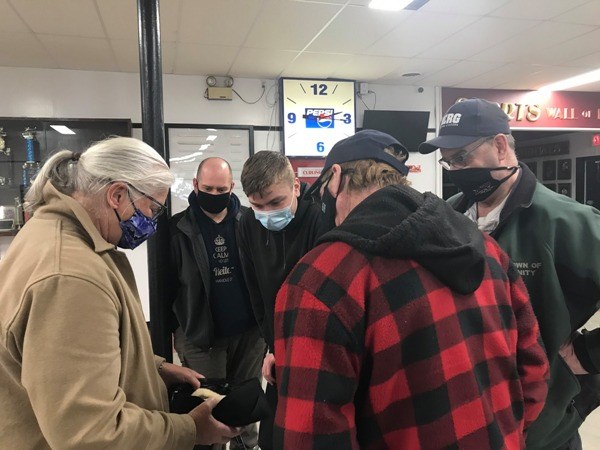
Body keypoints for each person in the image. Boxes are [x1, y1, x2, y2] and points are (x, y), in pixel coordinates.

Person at [273, 129, 549, 449]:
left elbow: (309, 436)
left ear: (335, 178)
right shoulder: (486, 249)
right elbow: (534, 372)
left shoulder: (320, 280)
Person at [0, 137, 240, 449]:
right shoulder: (71, 276)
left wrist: (154, 367)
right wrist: (189, 429)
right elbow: (91, 433)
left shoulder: (51, 232)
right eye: (151, 208)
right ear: (117, 195)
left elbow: (67, 357)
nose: (152, 222)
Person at [419, 98, 600, 450]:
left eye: (461, 158)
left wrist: (590, 354)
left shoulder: (566, 223)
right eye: (447, 162)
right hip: (465, 412)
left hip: (541, 425)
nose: (454, 171)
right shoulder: (446, 217)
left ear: (500, 146)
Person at [167, 157, 264, 450]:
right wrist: (176, 332)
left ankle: (247, 446)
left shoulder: (251, 221)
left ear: (232, 187)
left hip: (249, 334)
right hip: (200, 337)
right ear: (195, 186)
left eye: (221, 189)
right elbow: (167, 285)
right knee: (209, 408)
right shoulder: (177, 229)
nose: (214, 194)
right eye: (207, 188)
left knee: (246, 402)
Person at [237, 150, 325, 449]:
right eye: (257, 205)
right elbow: (257, 294)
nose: (267, 213)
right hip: (277, 343)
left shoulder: (320, 220)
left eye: (276, 202)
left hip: (315, 340)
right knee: (275, 434)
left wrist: (290, 348)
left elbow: (319, 296)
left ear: (296, 187)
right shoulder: (247, 223)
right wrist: (274, 346)